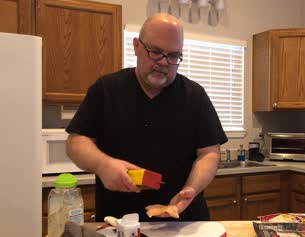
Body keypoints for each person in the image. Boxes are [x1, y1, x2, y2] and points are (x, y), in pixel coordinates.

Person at [66, 13, 227, 222]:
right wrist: (103, 164)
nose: (163, 62)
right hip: (118, 223)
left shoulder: (194, 96)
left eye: (173, 56)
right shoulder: (106, 89)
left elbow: (209, 154)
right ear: (136, 46)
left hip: (184, 220)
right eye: (155, 51)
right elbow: (75, 142)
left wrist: (192, 188)